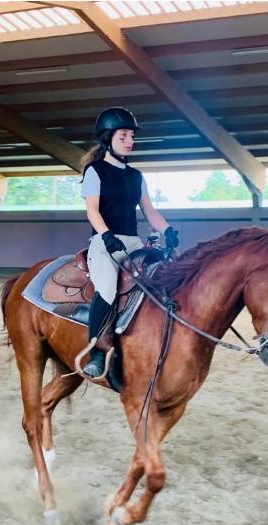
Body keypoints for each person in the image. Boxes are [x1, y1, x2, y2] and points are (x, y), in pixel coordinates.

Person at [79, 107, 179, 379]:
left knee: (163, 278)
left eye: (131, 136)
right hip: (104, 243)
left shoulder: (136, 176)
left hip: (133, 243)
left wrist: (168, 229)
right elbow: (92, 210)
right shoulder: (95, 171)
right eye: (123, 136)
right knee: (109, 288)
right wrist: (107, 236)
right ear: (108, 138)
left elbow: (149, 210)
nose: (129, 141)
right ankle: (97, 353)